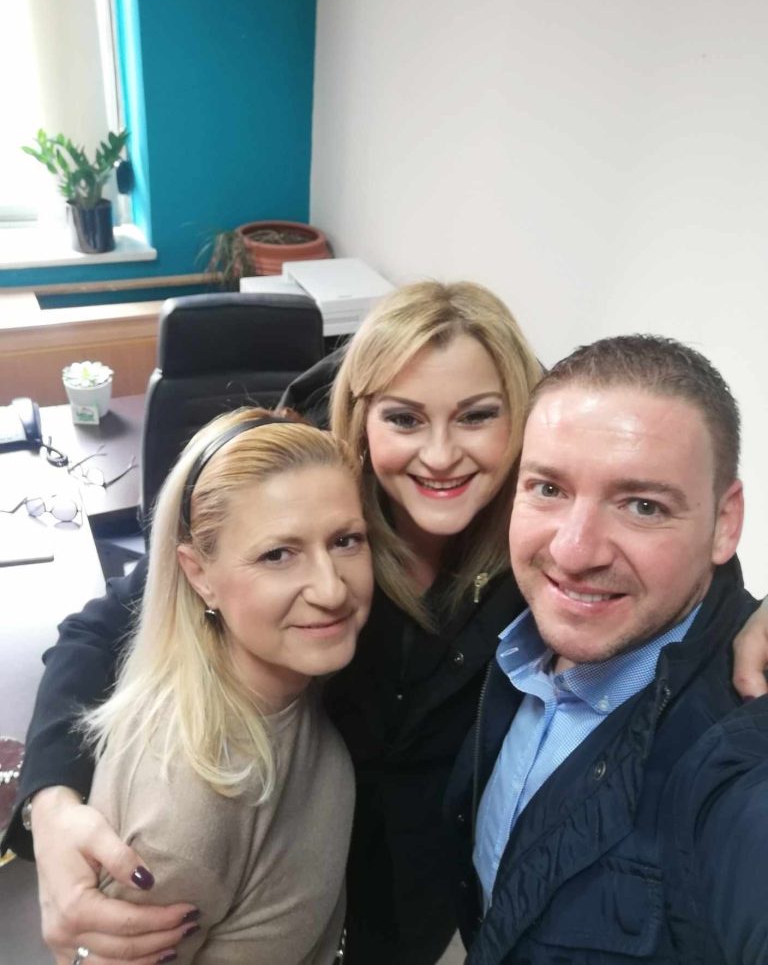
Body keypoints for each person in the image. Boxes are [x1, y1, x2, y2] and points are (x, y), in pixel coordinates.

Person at [3, 284, 768, 965]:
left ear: (520, 422)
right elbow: (105, 628)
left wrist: (744, 612)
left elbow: (668, 537)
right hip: (273, 860)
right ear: (361, 423)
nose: (439, 455)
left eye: (477, 416)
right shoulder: (310, 498)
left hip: (426, 898)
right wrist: (52, 804)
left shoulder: (547, 550)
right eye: (404, 419)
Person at [447, 335, 768, 964]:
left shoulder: (736, 763)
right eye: (548, 489)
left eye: (642, 505)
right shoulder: (504, 621)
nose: (573, 552)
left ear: (725, 522)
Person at [81, 407, 372, 964]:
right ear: (199, 575)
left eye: (345, 540)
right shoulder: (185, 820)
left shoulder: (288, 677)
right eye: (278, 554)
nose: (332, 589)